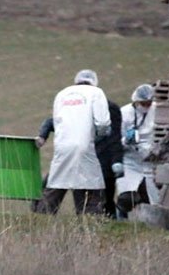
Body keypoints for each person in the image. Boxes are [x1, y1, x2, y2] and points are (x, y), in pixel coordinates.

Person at [33, 69, 111, 215]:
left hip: (62, 147)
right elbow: (103, 123)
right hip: (84, 146)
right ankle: (89, 222)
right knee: (90, 185)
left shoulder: (62, 94)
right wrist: (100, 136)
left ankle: (42, 219)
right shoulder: (96, 93)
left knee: (56, 184)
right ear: (94, 81)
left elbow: (56, 121)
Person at [33, 99, 124, 217]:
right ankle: (42, 217)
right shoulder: (77, 111)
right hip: (74, 159)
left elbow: (113, 139)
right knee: (53, 188)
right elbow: (52, 122)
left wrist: (116, 160)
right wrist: (42, 135)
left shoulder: (107, 110)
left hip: (85, 160)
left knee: (82, 194)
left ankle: (90, 221)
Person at [115, 84, 159, 218]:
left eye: (148, 103)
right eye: (143, 103)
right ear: (136, 101)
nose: (146, 106)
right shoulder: (124, 113)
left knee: (154, 198)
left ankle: (153, 223)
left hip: (151, 159)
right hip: (130, 160)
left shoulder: (157, 110)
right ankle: (120, 221)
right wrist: (126, 141)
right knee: (126, 197)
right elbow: (115, 141)